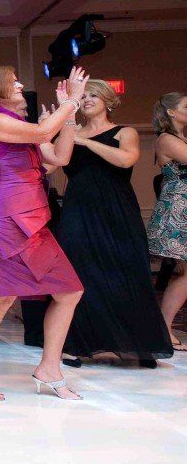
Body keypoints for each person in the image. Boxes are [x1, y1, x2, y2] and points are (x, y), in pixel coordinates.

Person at [0, 66, 87, 401]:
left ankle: (49, 368)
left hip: (30, 220)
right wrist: (71, 101)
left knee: (69, 291)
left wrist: (69, 117)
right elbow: (43, 133)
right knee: (1, 297)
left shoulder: (20, 127)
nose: (21, 85)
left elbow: (60, 156)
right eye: (14, 82)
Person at [56, 80, 172, 367]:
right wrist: (63, 127)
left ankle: (139, 345)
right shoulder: (70, 130)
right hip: (78, 210)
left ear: (108, 101)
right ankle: (75, 346)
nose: (87, 100)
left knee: (125, 271)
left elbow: (125, 160)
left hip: (116, 210)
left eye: (94, 95)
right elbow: (54, 163)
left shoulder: (125, 132)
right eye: (83, 96)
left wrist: (85, 141)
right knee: (79, 274)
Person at [146, 91, 187, 352]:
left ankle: (163, 327)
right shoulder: (167, 139)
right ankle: (163, 328)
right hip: (178, 210)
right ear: (171, 112)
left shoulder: (181, 138)